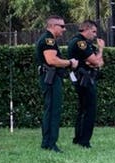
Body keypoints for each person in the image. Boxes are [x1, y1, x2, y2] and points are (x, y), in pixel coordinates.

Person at [36, 15, 79, 152]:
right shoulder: (49, 40)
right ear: (53, 26)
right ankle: (50, 143)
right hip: (51, 78)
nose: (64, 29)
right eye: (62, 26)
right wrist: (70, 62)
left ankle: (47, 142)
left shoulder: (48, 39)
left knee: (50, 109)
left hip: (50, 78)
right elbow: (52, 60)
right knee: (53, 110)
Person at [68, 20, 105, 149]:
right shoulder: (80, 43)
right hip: (84, 79)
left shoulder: (85, 44)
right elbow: (96, 62)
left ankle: (79, 138)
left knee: (83, 109)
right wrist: (100, 49)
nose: (95, 35)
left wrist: (95, 60)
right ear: (86, 29)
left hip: (84, 78)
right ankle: (84, 141)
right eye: (93, 31)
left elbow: (100, 63)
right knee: (89, 109)